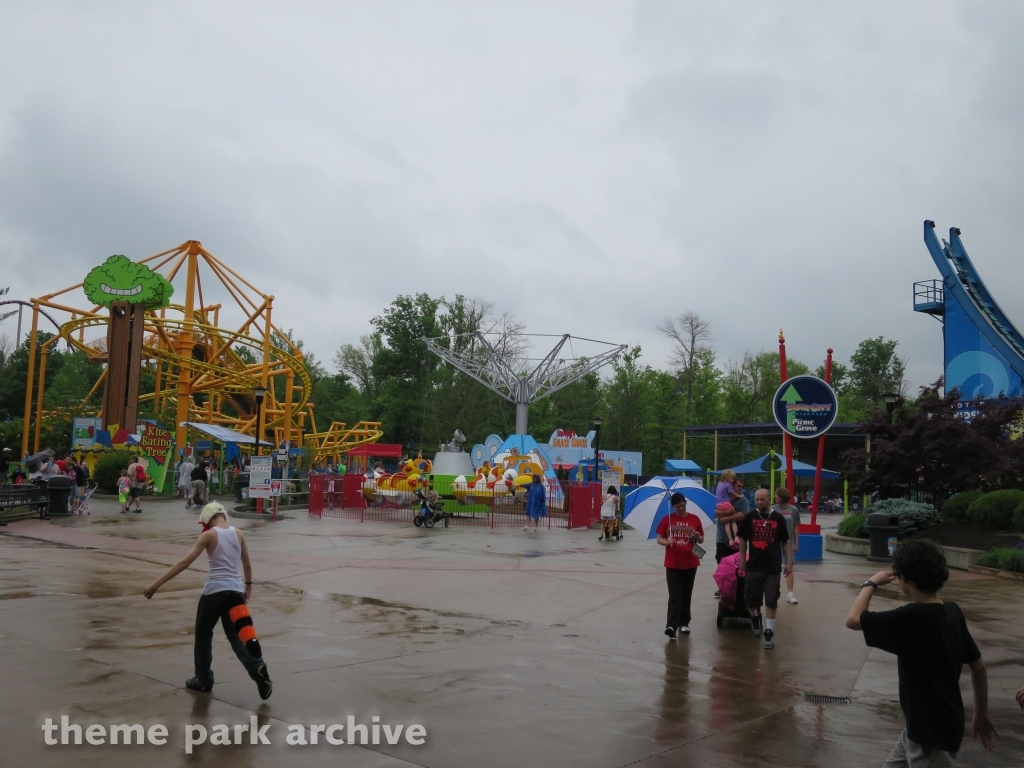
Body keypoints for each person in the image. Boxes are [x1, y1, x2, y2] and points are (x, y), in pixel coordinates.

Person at [845, 540, 997, 764]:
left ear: (904, 578)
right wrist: (981, 714)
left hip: (931, 737)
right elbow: (979, 665)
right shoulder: (952, 611)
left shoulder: (912, 618)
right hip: (921, 728)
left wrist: (871, 583)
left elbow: (853, 620)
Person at [143, 502, 273, 700]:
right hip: (235, 591)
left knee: (203, 634)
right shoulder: (238, 533)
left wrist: (156, 584)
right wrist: (248, 587)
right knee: (237, 636)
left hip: (214, 592)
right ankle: (257, 667)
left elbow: (185, 562)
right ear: (223, 515)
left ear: (207, 519)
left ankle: (203, 679)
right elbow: (246, 564)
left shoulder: (209, 535)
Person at [736, 488, 793, 650]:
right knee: (751, 599)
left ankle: (769, 632)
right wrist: (742, 560)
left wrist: (789, 561)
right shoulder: (750, 517)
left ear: (769, 499)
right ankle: (754, 618)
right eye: (757, 499)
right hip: (754, 565)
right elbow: (742, 539)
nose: (759, 502)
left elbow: (785, 541)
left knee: (771, 598)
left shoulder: (778, 518)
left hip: (773, 566)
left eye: (762, 499)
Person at [656, 492, 705, 639]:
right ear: (673, 507)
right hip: (673, 563)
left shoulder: (694, 519)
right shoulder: (667, 519)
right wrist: (667, 542)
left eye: (683, 505)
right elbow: (659, 538)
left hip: (691, 561)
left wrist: (696, 536)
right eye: (678, 507)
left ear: (686, 503)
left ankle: (684, 623)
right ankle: (671, 625)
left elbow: (701, 539)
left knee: (686, 593)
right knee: (675, 594)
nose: (681, 509)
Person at [772, 487, 801, 605]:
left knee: (790, 567)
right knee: (774, 567)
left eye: (776, 494)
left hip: (788, 542)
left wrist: (796, 543)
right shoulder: (773, 509)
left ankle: (790, 594)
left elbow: (795, 527)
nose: (775, 496)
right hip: (775, 542)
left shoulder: (793, 510)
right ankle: (773, 591)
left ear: (782, 496)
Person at [715, 477, 748, 564]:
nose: (740, 488)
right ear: (731, 486)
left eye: (742, 487)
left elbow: (743, 515)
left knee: (737, 566)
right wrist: (727, 512)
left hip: (738, 539)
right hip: (722, 538)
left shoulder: (743, 500)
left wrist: (727, 518)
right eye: (738, 486)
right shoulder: (721, 498)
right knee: (722, 565)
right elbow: (713, 512)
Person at [715, 469, 744, 548]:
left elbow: (743, 515)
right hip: (726, 504)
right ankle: (736, 537)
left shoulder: (720, 483)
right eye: (732, 479)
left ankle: (730, 540)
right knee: (733, 521)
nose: (732, 480)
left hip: (719, 504)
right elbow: (733, 495)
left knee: (727, 523)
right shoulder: (728, 485)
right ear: (727, 477)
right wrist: (740, 496)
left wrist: (726, 517)